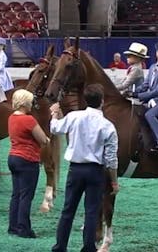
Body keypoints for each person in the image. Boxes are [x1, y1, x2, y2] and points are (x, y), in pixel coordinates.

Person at [49, 84, 119, 252]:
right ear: (101, 102)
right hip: (95, 171)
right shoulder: (107, 125)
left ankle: (60, 247)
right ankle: (88, 247)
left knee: (68, 210)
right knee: (92, 212)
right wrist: (114, 182)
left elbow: (55, 128)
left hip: (76, 169)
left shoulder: (74, 116)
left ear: (86, 100)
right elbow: (111, 159)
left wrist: (54, 114)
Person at [7, 89, 49, 238]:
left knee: (16, 194)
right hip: (27, 159)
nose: (32, 104)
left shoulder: (11, 117)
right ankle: (24, 228)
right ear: (25, 103)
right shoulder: (29, 120)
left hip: (13, 157)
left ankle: (13, 226)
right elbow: (43, 139)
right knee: (26, 195)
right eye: (30, 102)